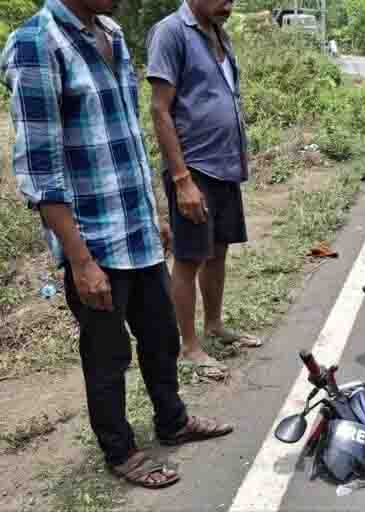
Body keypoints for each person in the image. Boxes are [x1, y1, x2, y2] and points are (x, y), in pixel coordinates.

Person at [1, 0, 233, 489]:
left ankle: (172, 421)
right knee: (107, 357)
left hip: (137, 228)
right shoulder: (36, 43)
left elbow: (126, 136)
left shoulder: (111, 32)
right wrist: (80, 261)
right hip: (94, 240)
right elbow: (39, 170)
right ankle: (121, 450)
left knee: (161, 337)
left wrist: (155, 213)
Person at [147, 0, 263, 382]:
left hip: (225, 165)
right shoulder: (171, 32)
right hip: (194, 169)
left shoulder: (218, 33)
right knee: (189, 256)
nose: (228, 4)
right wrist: (182, 181)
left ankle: (214, 325)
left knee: (218, 251)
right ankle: (190, 345)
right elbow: (160, 110)